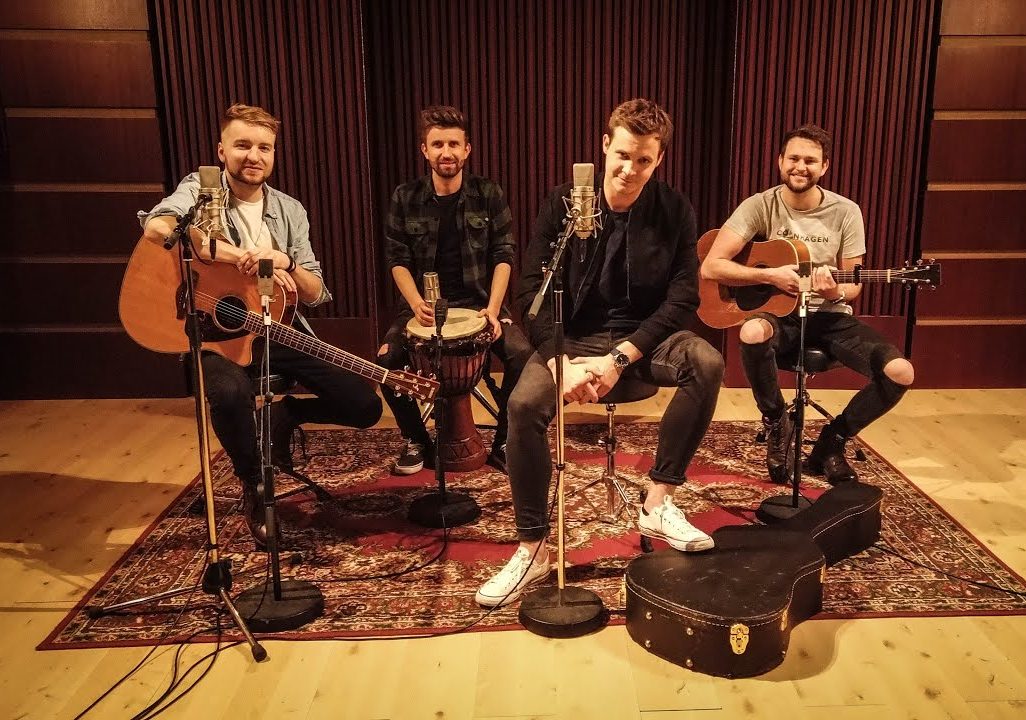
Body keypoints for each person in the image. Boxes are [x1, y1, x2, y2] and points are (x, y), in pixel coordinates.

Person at [474, 98, 725, 607]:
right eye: (623, 155)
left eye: (644, 160)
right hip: (570, 339)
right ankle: (533, 547)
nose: (630, 169)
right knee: (522, 406)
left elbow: (683, 298)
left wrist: (621, 359)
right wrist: (559, 361)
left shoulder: (674, 209)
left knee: (706, 361)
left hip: (641, 340)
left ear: (659, 160)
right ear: (605, 145)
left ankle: (658, 503)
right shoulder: (564, 204)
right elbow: (531, 292)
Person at [138, 103, 383, 545]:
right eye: (242, 145)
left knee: (364, 404)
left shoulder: (290, 210)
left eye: (264, 148)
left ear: (273, 154)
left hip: (275, 328)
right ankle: (253, 484)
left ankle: (288, 415)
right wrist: (239, 257)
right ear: (222, 150)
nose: (253, 156)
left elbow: (315, 291)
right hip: (213, 333)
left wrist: (284, 260)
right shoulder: (201, 190)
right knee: (231, 392)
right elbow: (157, 229)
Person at [701, 124, 914, 485]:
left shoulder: (846, 212)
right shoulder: (759, 205)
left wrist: (831, 291)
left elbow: (852, 286)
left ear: (824, 166)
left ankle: (833, 441)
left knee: (900, 372)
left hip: (830, 318)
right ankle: (776, 422)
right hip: (780, 315)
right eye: (794, 158)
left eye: (811, 161)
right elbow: (711, 265)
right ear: (780, 161)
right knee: (751, 332)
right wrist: (771, 276)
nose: (800, 167)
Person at [378, 105, 532, 474]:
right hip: (422, 306)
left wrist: (494, 309)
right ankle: (416, 438)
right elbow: (397, 259)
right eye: (437, 144)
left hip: (481, 302)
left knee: (523, 356)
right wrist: (415, 302)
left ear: (467, 149)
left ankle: (505, 440)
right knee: (386, 362)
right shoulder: (405, 196)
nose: (445, 152)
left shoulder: (488, 193)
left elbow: (504, 255)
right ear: (424, 150)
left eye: (453, 144)